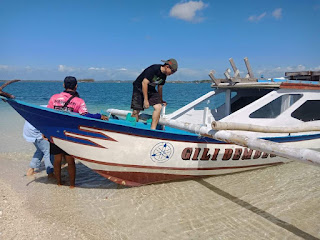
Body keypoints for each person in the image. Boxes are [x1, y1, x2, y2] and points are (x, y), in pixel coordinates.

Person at [47, 76, 108, 188]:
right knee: (70, 161)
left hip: (55, 131)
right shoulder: (78, 101)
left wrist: (45, 131)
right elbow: (86, 115)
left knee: (57, 159)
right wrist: (99, 116)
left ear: (63, 85)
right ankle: (72, 185)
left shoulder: (54, 98)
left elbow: (48, 115)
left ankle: (59, 183)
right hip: (70, 133)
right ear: (76, 86)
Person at [131, 58, 178, 129]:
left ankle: (153, 129)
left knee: (158, 107)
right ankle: (133, 127)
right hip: (139, 87)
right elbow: (144, 83)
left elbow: (160, 88)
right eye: (172, 71)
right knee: (136, 110)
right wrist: (146, 100)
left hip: (151, 89)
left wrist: (161, 100)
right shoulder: (154, 69)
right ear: (167, 67)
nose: (172, 74)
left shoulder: (164, 75)